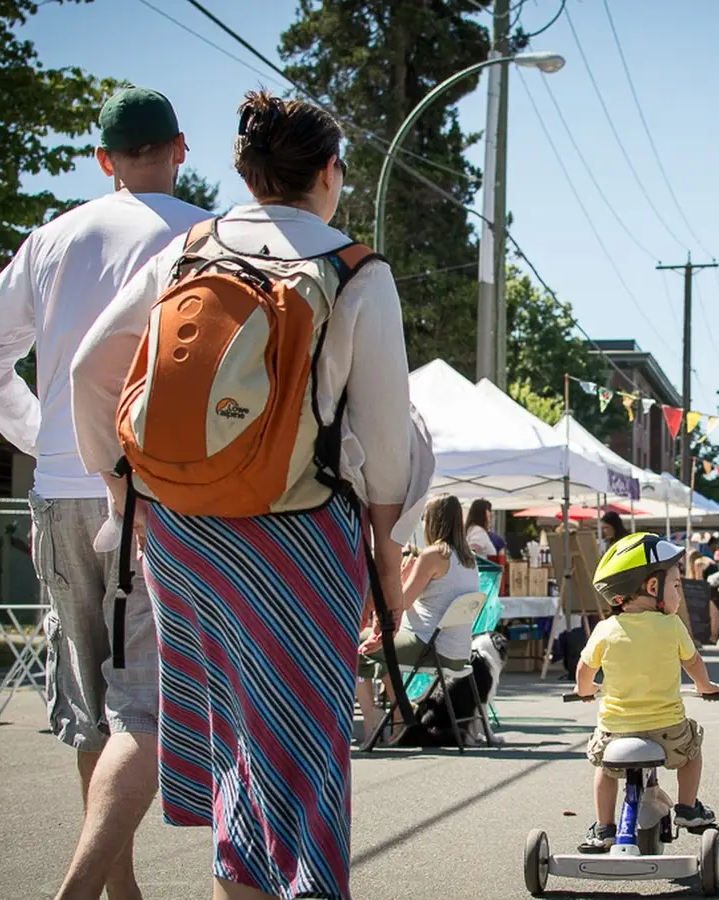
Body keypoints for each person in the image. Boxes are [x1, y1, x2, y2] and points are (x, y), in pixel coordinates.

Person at [71, 90, 412, 900]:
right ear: (329, 172)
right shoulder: (354, 269)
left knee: (236, 750)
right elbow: (388, 440)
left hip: (184, 538)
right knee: (300, 751)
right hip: (297, 536)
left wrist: (129, 493)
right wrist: (386, 542)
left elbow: (92, 370)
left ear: (249, 173)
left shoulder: (187, 250)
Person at [0, 87, 204, 900]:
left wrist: (37, 434)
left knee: (91, 705)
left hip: (60, 489)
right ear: (180, 149)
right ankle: (82, 888)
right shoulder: (202, 235)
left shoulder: (52, 238)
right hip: (155, 494)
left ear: (103, 161)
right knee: (150, 708)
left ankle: (117, 890)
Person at [574, 533, 719, 853]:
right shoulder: (671, 626)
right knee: (693, 748)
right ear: (653, 589)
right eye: (676, 586)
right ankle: (686, 807)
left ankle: (604, 827)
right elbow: (693, 662)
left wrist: (585, 691)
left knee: (604, 770)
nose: (679, 595)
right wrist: (704, 687)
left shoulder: (605, 630)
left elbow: (584, 672)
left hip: (616, 731)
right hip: (667, 731)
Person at [355, 493, 480, 738]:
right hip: (459, 652)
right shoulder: (469, 558)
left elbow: (400, 602)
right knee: (383, 648)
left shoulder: (434, 555)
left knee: (355, 642)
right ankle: (400, 711)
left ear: (433, 520)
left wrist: (401, 574)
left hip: (429, 646)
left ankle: (375, 717)